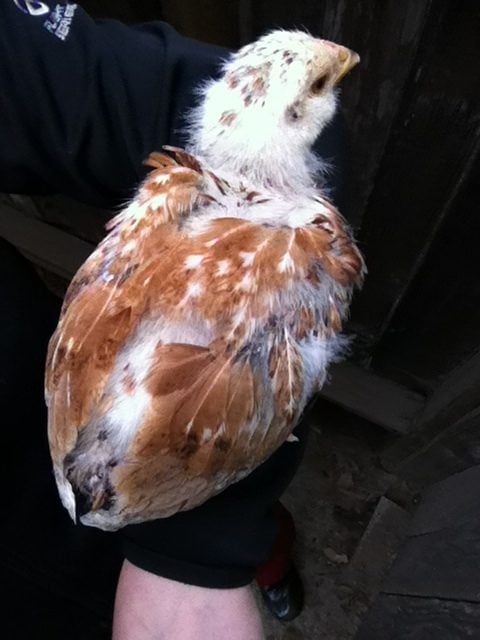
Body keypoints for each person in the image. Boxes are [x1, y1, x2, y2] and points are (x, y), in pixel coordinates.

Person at [0, 3, 350, 638]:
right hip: (53, 550)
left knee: (239, 505)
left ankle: (265, 555)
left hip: (109, 490)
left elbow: (239, 107)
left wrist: (200, 552)